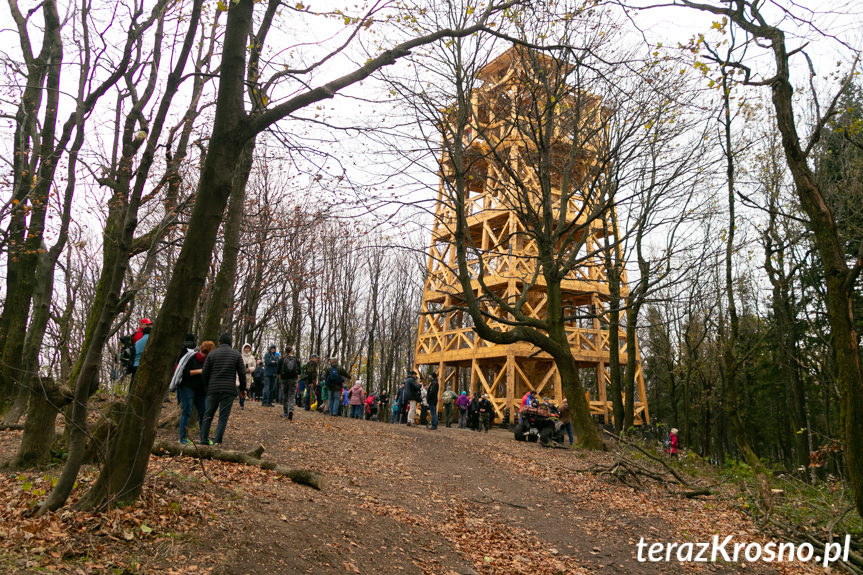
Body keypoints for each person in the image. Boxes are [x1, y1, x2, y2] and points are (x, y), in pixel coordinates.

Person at [199, 333, 247, 446]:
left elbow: (204, 372)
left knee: (208, 415)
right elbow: (242, 373)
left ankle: (203, 439)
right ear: (231, 343)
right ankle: (217, 442)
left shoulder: (212, 354)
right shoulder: (236, 355)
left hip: (213, 388)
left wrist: (207, 386)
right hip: (228, 390)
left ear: (219, 342)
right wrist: (242, 389)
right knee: (223, 417)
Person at [178, 340, 214, 444]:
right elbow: (183, 373)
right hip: (187, 387)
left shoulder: (209, 360)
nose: (204, 356)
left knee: (203, 412)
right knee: (186, 411)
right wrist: (199, 371)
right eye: (203, 354)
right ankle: (182, 437)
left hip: (201, 390)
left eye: (206, 355)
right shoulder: (191, 357)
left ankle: (204, 438)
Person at [279, 346, 301, 420]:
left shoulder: (282, 360)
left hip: (284, 379)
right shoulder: (296, 360)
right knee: (292, 395)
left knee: (285, 395)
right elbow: (299, 372)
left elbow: (278, 371)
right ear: (291, 351)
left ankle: (285, 413)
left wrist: (281, 378)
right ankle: (291, 409)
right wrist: (297, 379)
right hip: (293, 379)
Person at [128, 324, 152, 393]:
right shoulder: (151, 341)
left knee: (133, 384)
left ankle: (130, 397)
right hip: (145, 365)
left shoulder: (137, 342)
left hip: (135, 365)